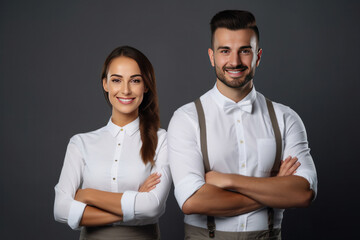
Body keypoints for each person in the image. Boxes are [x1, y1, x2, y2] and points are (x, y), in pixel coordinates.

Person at [168, 10, 317, 239]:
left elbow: (303, 193)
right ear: (212, 56)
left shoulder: (286, 118)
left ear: (258, 56)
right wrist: (275, 187)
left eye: (244, 51)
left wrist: (229, 180)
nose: (235, 61)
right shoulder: (186, 118)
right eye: (225, 51)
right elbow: (191, 201)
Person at [54, 46, 171, 240]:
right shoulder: (81, 143)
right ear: (105, 84)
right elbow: (60, 209)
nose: (125, 90)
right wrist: (133, 203)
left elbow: (152, 206)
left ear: (146, 86)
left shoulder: (162, 139)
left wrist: (88, 195)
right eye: (116, 80)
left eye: (135, 80)